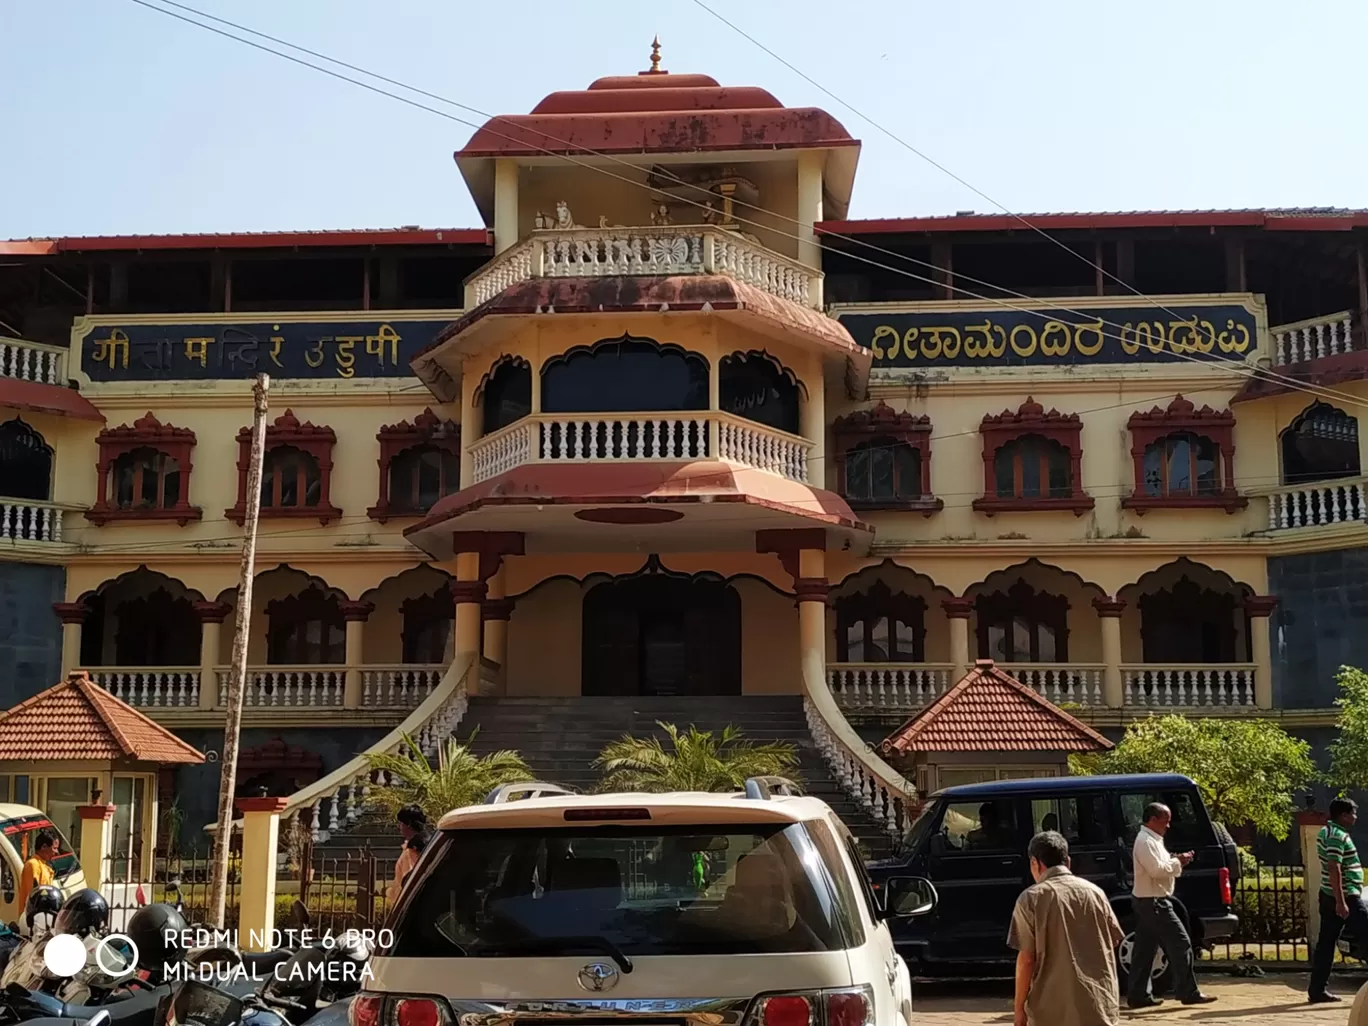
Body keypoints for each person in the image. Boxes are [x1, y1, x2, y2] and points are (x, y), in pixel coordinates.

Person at [1007, 830, 1123, 1026]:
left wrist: (1019, 1008)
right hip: (1099, 1004)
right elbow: (1114, 939)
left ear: (1035, 863)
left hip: (1051, 1010)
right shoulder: (1096, 893)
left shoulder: (1031, 899)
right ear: (1067, 861)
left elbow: (1026, 959)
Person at [1127, 803, 1215, 1008]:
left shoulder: (1153, 840)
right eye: (1165, 820)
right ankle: (1188, 992)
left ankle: (1138, 994)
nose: (1168, 825)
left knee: (1144, 950)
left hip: (1148, 900)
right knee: (1181, 943)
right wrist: (1179, 862)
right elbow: (1157, 870)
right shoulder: (1145, 841)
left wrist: (1175, 860)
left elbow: (1160, 866)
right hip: (1154, 901)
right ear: (1152, 819)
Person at [1309, 797, 1368, 1003]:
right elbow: (1334, 868)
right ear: (1343, 815)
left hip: (1329, 894)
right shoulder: (1337, 835)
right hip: (1345, 896)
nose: (1355, 817)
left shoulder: (1327, 831)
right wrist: (1341, 901)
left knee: (1326, 943)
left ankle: (1317, 990)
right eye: (1352, 813)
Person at [385, 806, 434, 904]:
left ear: (409, 825)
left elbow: (408, 882)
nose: (399, 827)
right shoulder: (429, 844)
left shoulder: (412, 850)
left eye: (401, 823)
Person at [16, 832, 57, 915]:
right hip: (33, 918)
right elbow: (34, 897)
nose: (56, 852)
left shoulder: (44, 865)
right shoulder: (33, 865)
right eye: (54, 848)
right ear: (44, 847)